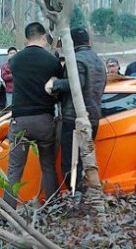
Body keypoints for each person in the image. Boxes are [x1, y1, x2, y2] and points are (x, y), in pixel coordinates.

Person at [3, 22, 62, 210]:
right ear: (43, 37)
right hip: (44, 119)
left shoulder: (15, 61)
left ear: (27, 37)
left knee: (14, 170)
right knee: (48, 166)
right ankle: (53, 208)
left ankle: (8, 213)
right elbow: (58, 85)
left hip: (20, 120)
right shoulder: (51, 60)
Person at [45, 28, 106, 189]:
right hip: (93, 116)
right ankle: (83, 198)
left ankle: (77, 198)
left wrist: (55, 84)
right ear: (88, 42)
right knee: (85, 160)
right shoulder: (98, 61)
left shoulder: (76, 60)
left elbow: (76, 84)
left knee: (70, 165)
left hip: (75, 118)